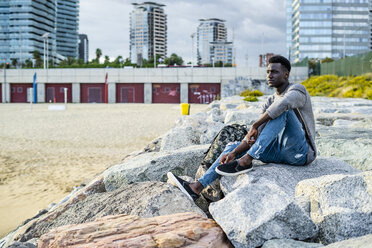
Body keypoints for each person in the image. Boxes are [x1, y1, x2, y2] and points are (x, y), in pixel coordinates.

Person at [167, 55, 317, 202]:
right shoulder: (270, 100)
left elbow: (283, 104)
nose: (269, 75)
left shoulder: (298, 90)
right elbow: (255, 135)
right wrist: (235, 152)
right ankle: (196, 187)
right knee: (233, 146)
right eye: (268, 72)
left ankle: (247, 160)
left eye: (275, 72)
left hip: (300, 152)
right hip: (278, 152)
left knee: (282, 111)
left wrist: (255, 125)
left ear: (286, 74)